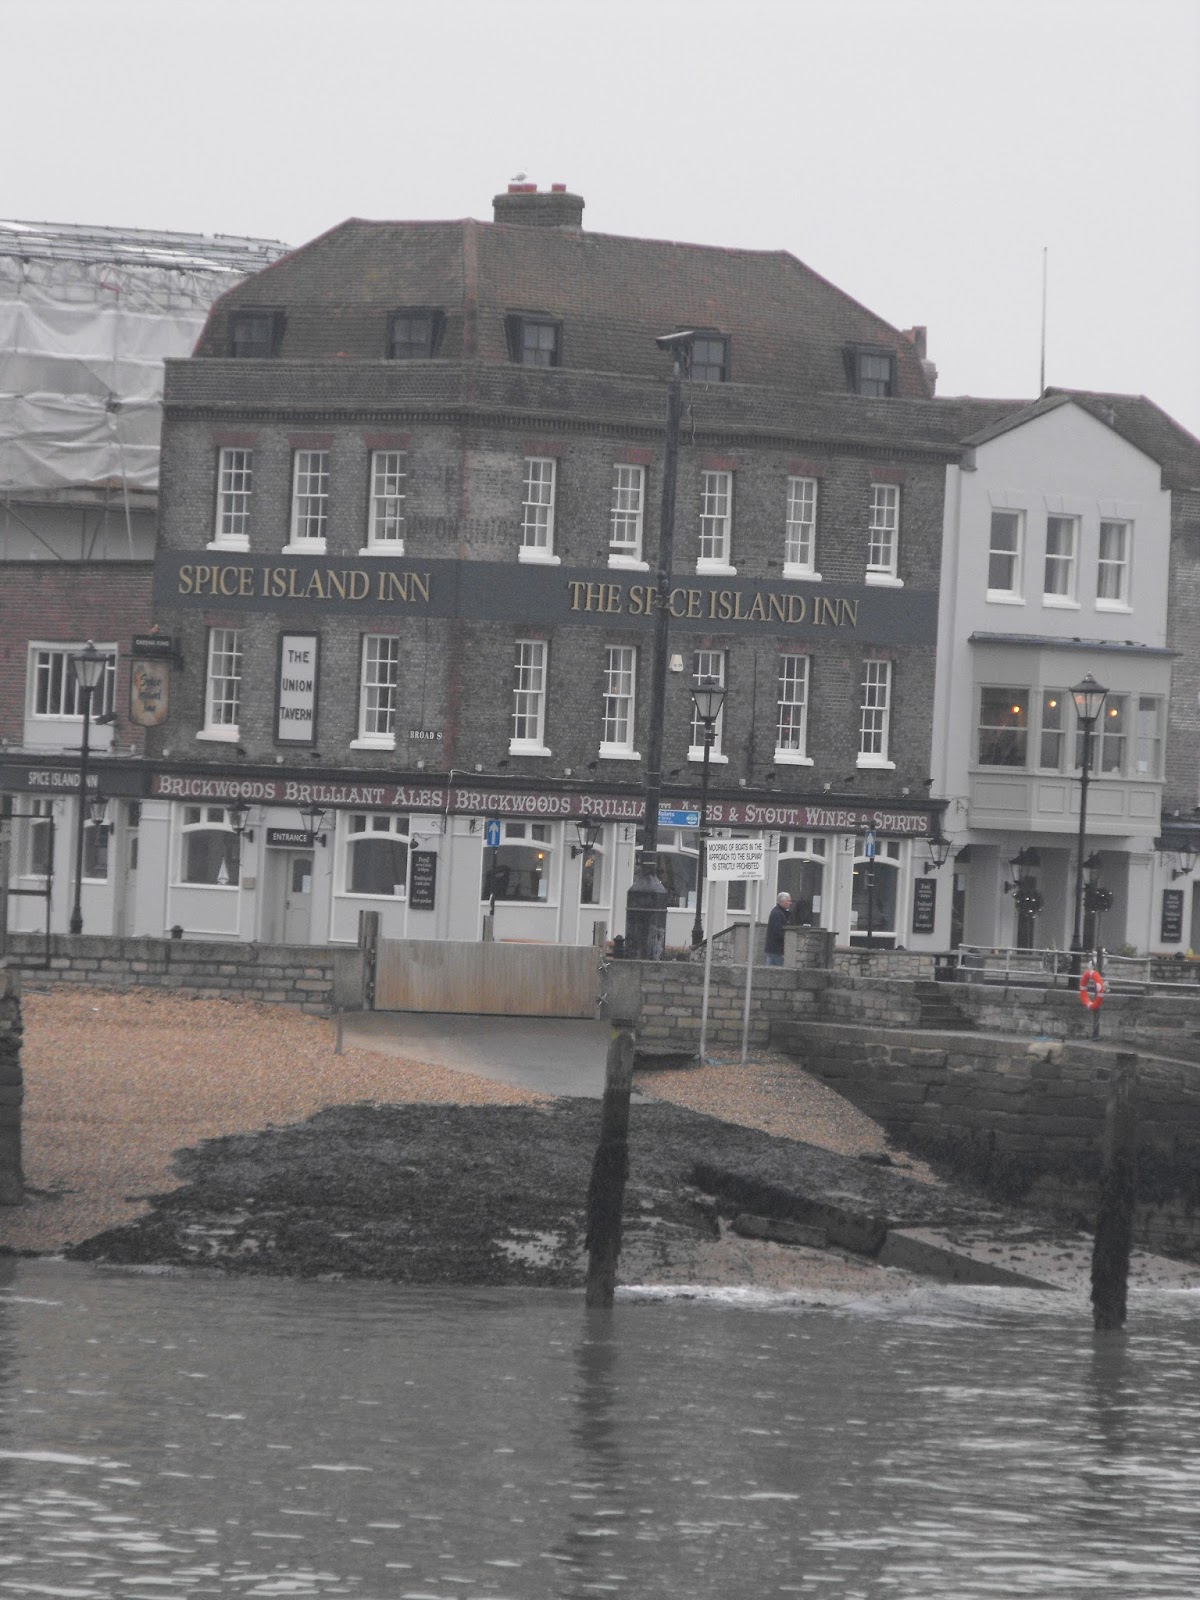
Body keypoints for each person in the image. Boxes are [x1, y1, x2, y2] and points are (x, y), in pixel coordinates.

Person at [765, 891, 792, 966]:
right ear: (782, 902)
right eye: (788, 901)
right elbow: (777, 931)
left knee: (770, 969)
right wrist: (787, 939)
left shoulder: (780, 912)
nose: (790, 903)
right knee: (780, 969)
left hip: (772, 948)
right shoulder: (777, 914)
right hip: (776, 949)